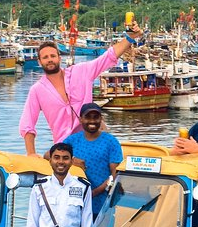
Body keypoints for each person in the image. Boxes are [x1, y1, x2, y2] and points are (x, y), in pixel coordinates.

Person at [19, 21, 143, 158]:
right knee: (47, 157)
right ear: (39, 62)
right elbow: (27, 123)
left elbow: (109, 57)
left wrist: (131, 37)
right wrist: (31, 153)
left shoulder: (81, 71)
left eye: (53, 56)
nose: (50, 60)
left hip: (93, 139)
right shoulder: (37, 90)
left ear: (59, 58)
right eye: (45, 57)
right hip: (64, 149)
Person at [64, 103, 123, 217]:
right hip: (77, 203)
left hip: (103, 204)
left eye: (96, 117)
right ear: (81, 119)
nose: (92, 121)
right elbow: (49, 155)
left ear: (101, 119)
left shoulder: (111, 142)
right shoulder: (72, 140)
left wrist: (93, 193)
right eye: (88, 117)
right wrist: (72, 160)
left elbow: (116, 174)